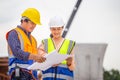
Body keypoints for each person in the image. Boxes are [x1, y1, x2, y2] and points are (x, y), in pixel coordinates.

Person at [6, 8, 46, 80]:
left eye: (35, 24)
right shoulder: (14, 34)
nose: (34, 26)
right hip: (18, 74)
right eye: (32, 23)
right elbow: (17, 52)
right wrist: (35, 56)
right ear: (24, 20)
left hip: (32, 76)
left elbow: (34, 60)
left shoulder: (33, 40)